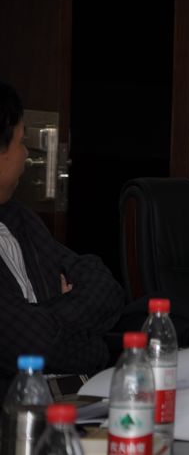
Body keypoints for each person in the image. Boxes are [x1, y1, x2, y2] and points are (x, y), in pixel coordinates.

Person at [0, 81, 125, 392]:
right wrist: (91, 341)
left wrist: (42, 318)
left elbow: (104, 286)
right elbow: (27, 345)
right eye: (20, 141)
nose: (26, 154)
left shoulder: (19, 218)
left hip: (67, 392)